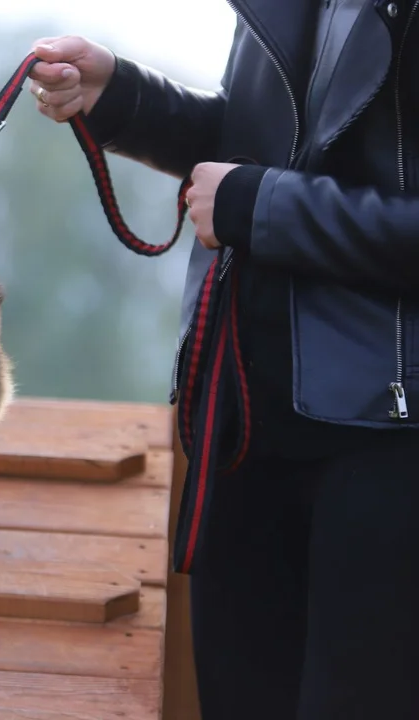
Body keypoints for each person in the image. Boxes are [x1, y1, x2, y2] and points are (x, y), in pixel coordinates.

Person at [27, 3, 419, 719]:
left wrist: (260, 204)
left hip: (387, 454)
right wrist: (124, 97)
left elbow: (263, 187)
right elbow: (268, 146)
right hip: (243, 428)